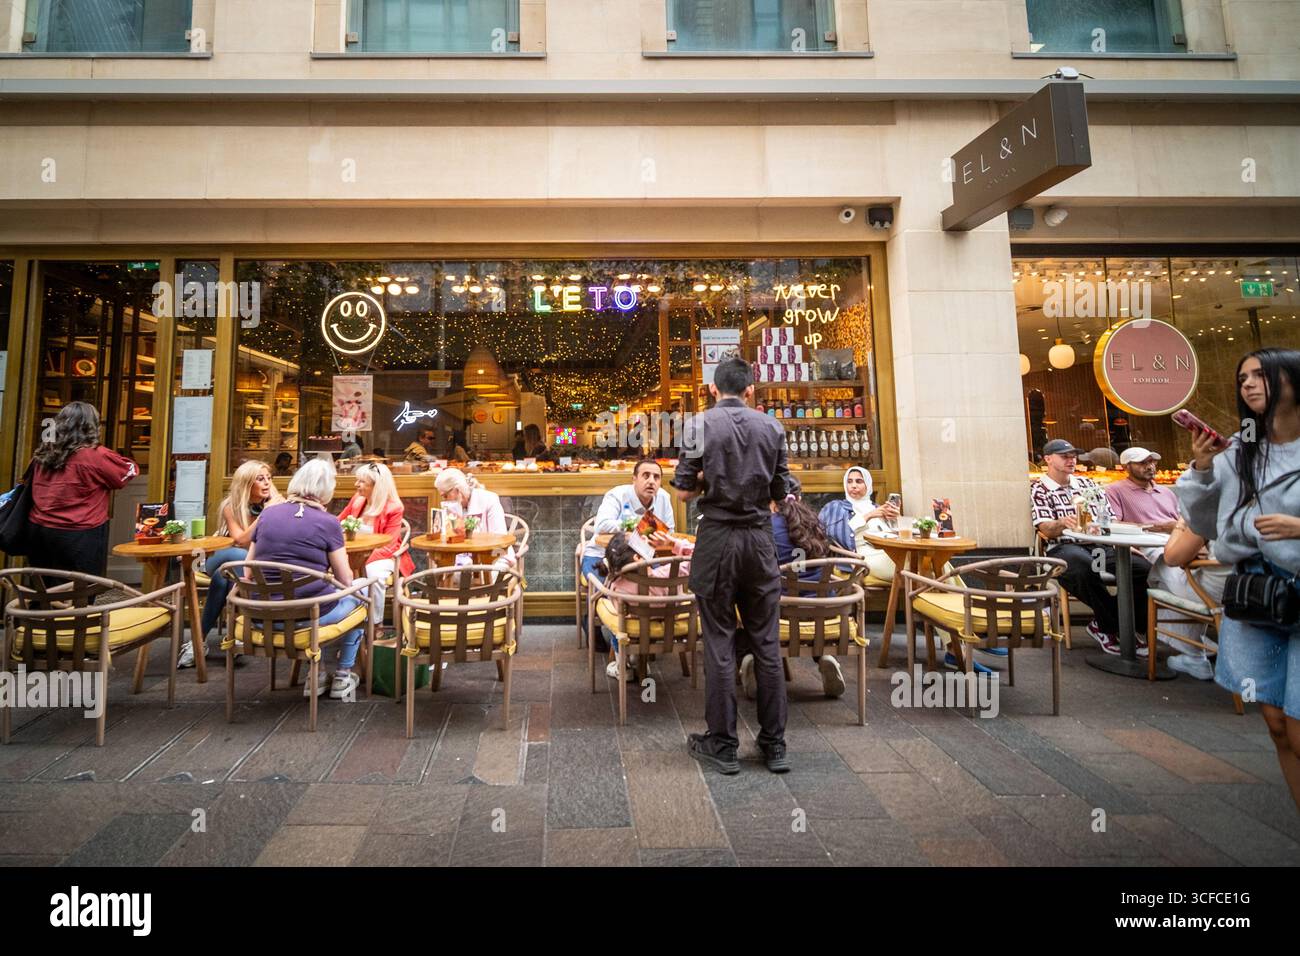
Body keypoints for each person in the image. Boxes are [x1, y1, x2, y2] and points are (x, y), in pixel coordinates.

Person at [1175, 347, 1300, 811]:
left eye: (1261, 376)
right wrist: (1202, 469)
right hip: (1252, 595)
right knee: (1274, 722)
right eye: (1243, 377)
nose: (1248, 384)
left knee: (1299, 728)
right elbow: (1204, 524)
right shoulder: (1238, 451)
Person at [672, 356, 790, 775]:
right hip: (759, 543)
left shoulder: (698, 426)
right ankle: (774, 745)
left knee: (720, 644)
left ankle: (722, 745)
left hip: (718, 540)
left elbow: (683, 494)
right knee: (766, 643)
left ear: (711, 389)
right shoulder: (772, 427)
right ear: (751, 390)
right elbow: (781, 493)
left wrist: (709, 480)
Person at [245, 458, 367, 701]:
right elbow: (345, 579)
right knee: (359, 598)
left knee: (317, 597)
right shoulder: (328, 523)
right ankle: (342, 675)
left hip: (262, 616)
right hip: (306, 618)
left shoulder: (268, 515)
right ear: (326, 491)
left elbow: (247, 573)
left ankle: (317, 675)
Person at [1032, 437, 1150, 655]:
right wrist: (1061, 523)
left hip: (1101, 545)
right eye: (1064, 456)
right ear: (1048, 459)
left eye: (1073, 456)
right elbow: (1045, 528)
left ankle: (1117, 624)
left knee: (1142, 568)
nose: (1071, 460)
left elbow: (1109, 519)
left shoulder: (1089, 484)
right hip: (1064, 546)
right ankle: (1113, 627)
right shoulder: (1040, 489)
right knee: (1082, 567)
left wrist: (1122, 545)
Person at [739, 477, 845, 699]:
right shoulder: (812, 521)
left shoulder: (764, 527)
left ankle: (749, 657)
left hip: (781, 612)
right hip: (823, 609)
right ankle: (823, 655)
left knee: (743, 596)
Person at [185, 459, 283, 668]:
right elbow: (240, 539)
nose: (267, 483)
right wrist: (267, 514)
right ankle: (241, 629)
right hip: (223, 558)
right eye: (260, 479)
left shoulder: (272, 506)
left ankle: (198, 641)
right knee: (237, 555)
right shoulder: (231, 506)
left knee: (223, 583)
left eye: (269, 479)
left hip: (244, 568)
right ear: (247, 483)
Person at [27, 402, 138, 577]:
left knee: (45, 588)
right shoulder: (94, 456)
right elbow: (126, 472)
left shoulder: (43, 453)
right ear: (91, 426)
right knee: (83, 590)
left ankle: (46, 605)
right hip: (79, 532)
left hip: (38, 529)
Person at [580, 458, 675, 652]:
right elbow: (602, 525)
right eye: (645, 476)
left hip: (645, 557)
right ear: (634, 479)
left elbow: (670, 531)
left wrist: (649, 534)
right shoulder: (617, 495)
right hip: (602, 556)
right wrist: (641, 526)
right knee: (610, 595)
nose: (651, 481)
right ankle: (620, 652)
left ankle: (644, 643)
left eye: (656, 477)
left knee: (659, 588)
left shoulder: (664, 497)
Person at [596, 530, 694, 682]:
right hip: (670, 618)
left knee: (615, 617)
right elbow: (702, 556)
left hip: (635, 624)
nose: (643, 538)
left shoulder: (617, 584)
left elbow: (616, 606)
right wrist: (674, 544)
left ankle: (623, 665)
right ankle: (637, 661)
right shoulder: (670, 573)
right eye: (639, 540)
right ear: (638, 557)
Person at [1148, 517, 1229, 680]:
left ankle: (1194, 655)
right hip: (1256, 590)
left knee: (1160, 566)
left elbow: (1171, 557)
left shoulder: (1210, 507)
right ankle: (1194, 652)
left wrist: (1181, 523)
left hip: (1215, 594)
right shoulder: (1270, 505)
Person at [338, 462, 414, 622]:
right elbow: (338, 522)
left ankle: (374, 622)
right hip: (354, 554)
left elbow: (390, 546)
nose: (356, 484)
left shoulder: (394, 508)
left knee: (374, 575)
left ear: (376, 486)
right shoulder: (357, 500)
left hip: (384, 557)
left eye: (361, 481)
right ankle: (347, 617)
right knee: (338, 573)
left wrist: (362, 563)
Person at [819, 465, 898, 582]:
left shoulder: (876, 507)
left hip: (884, 551)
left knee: (914, 560)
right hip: (859, 555)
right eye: (849, 482)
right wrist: (869, 516)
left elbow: (895, 536)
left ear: (868, 485)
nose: (853, 486)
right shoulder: (836, 507)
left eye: (859, 481)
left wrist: (896, 518)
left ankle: (914, 596)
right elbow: (833, 533)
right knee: (908, 566)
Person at [433, 467, 516, 570]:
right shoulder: (452, 507)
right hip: (460, 559)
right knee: (446, 572)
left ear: (457, 490)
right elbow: (448, 537)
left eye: (445, 496)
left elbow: (500, 537)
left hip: (493, 556)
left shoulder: (489, 500)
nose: (444, 500)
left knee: (487, 573)